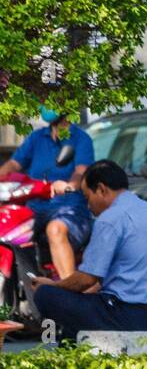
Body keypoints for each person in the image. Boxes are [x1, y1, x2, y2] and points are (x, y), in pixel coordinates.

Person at [32, 160, 147, 339]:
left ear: (101, 189)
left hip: (131, 317)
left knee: (45, 295)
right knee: (73, 328)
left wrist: (53, 285)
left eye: (88, 198)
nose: (88, 206)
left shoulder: (110, 218)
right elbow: (103, 282)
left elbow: (87, 279)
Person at [0, 107, 95, 278]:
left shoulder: (81, 139)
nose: (45, 106)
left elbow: (81, 172)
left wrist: (69, 185)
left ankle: (68, 290)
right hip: (34, 210)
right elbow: (13, 165)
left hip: (69, 209)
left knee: (55, 229)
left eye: (51, 100)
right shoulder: (36, 137)